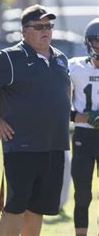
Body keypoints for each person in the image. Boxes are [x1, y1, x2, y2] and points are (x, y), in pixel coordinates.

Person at [0, 4, 71, 236]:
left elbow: (66, 92)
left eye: (48, 26)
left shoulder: (61, 58)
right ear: (24, 31)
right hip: (22, 145)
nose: (46, 31)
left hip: (54, 145)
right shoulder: (11, 57)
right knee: (15, 207)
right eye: (39, 27)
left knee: (38, 208)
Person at [69, 18, 99, 236]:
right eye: (98, 41)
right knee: (82, 194)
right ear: (89, 42)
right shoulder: (74, 67)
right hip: (84, 137)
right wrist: (81, 117)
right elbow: (56, 103)